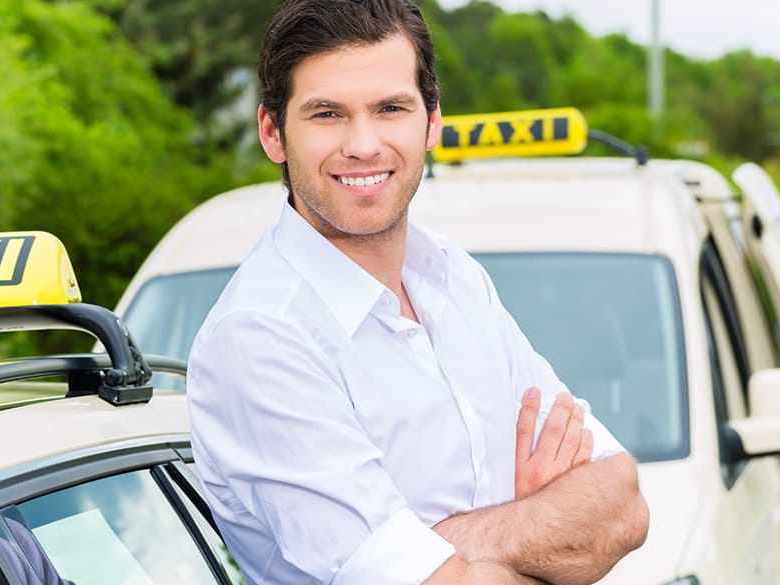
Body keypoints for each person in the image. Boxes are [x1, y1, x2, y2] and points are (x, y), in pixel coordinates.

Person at [185, 1, 650, 583]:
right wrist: (540, 532)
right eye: (327, 113)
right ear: (273, 133)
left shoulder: (454, 276)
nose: (363, 144)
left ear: (431, 122)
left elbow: (622, 503)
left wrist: (446, 543)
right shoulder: (259, 338)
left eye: (390, 108)